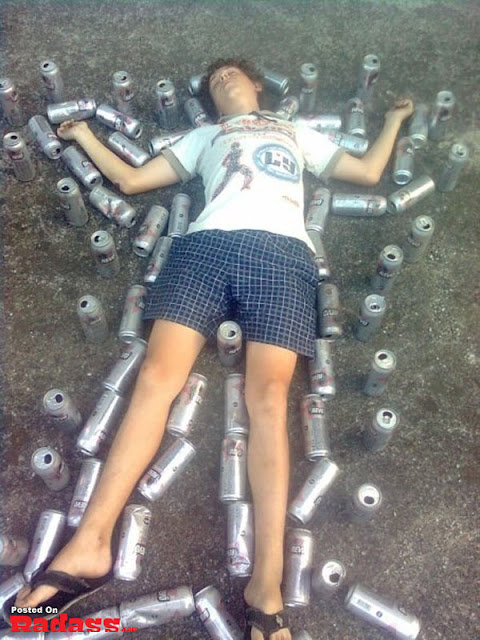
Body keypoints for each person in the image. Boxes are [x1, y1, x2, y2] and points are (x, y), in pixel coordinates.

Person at [16, 58, 414, 640]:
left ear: (257, 85)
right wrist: (82, 137)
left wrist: (395, 121)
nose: (223, 80)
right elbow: (131, 181)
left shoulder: (293, 131)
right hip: (203, 249)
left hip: (283, 255)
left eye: (232, 73)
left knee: (269, 401)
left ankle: (267, 582)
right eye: (214, 80)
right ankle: (91, 544)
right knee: (155, 380)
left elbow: (370, 171)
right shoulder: (204, 136)